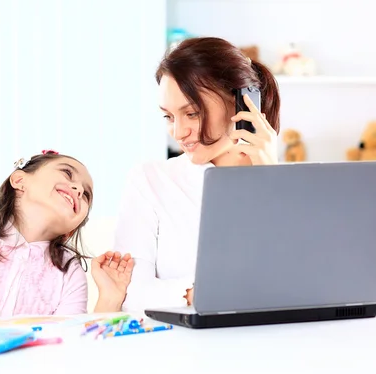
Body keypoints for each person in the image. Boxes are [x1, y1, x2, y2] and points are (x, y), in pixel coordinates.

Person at [115, 37, 281, 312]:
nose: (179, 133)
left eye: (192, 113)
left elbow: (302, 282)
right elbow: (131, 295)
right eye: (169, 117)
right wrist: (213, 291)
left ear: (242, 104)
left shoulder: (291, 186)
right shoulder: (150, 180)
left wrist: (269, 180)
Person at [0, 150, 134, 323]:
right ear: (19, 180)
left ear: (72, 228)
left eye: (86, 195)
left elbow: (72, 348)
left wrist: (109, 299)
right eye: (67, 174)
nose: (79, 189)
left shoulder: (69, 272)